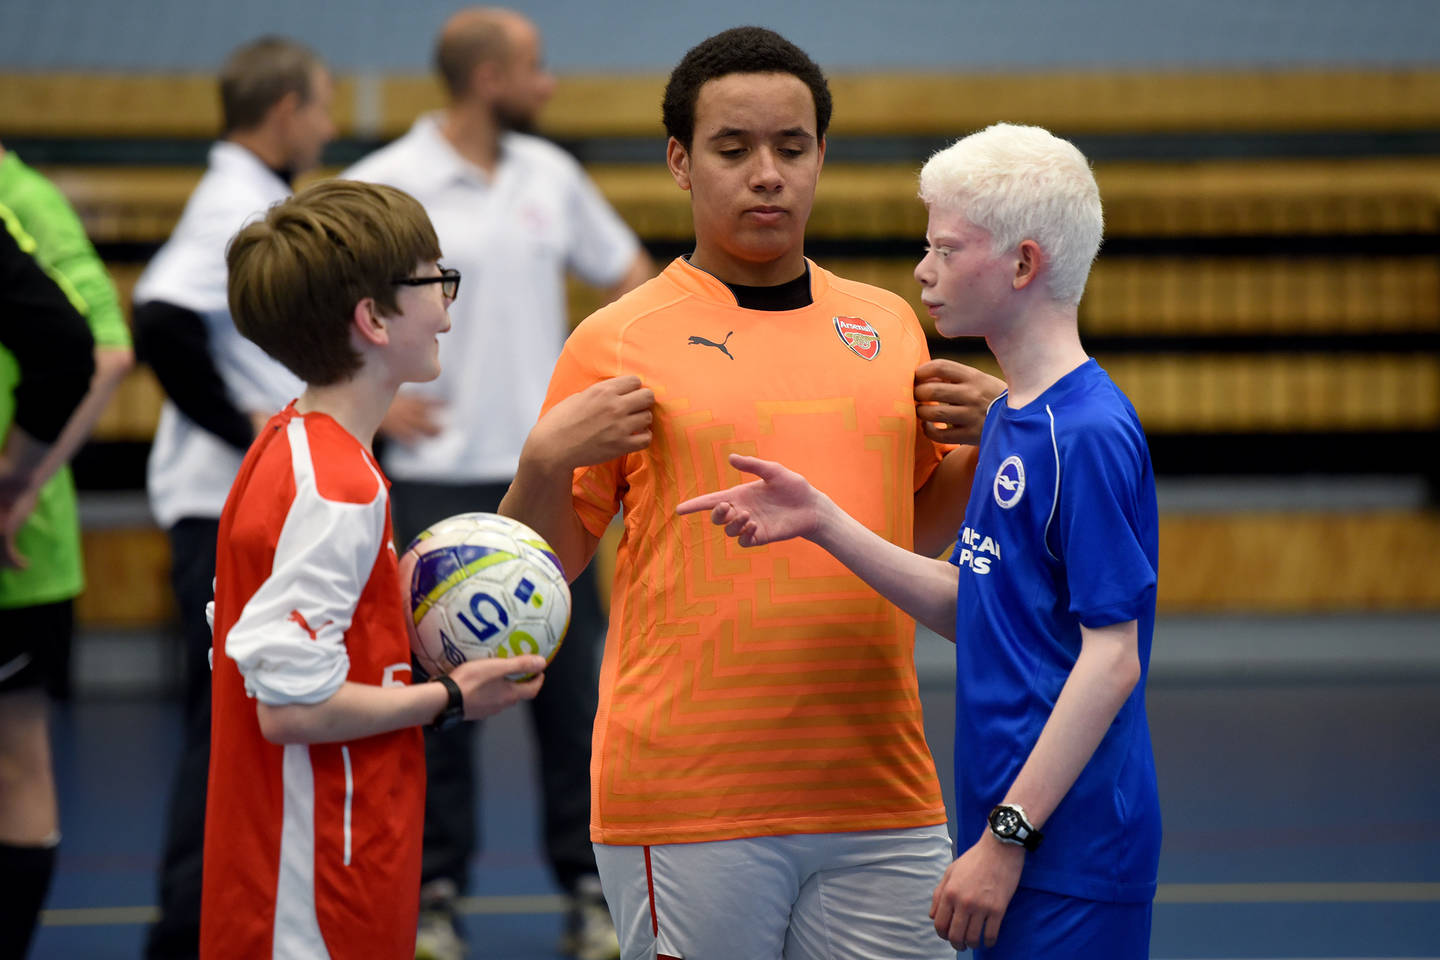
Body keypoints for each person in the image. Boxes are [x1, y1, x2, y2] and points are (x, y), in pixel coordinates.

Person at [499, 27, 1003, 960]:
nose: (766, 173)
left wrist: (992, 447)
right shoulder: (618, 339)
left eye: (791, 147)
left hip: (880, 790)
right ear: (681, 163)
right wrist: (539, 465)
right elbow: (544, 569)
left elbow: (906, 535)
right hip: (689, 799)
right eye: (733, 150)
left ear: (822, 156)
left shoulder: (888, 323)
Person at [678, 123, 1162, 958]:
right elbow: (984, 607)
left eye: (944, 248)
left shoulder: (1083, 433)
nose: (922, 271)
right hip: (1013, 831)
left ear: (1022, 265)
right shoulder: (1010, 419)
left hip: (1069, 847)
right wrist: (824, 521)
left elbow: (1112, 656)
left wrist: (1009, 838)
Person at [341, 9, 651, 958]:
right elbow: (329, 305)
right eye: (534, 67)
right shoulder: (388, 180)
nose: (549, 83)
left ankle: (588, 891)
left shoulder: (550, 175)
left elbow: (632, 279)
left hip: (551, 481)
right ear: (485, 78)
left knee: (570, 696)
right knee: (443, 694)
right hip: (433, 479)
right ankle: (432, 891)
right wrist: (377, 397)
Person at [201, 178, 554, 959]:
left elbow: (252, 635)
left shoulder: (287, 447)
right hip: (317, 886)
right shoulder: (339, 486)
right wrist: (453, 697)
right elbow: (290, 709)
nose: (448, 310)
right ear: (373, 318)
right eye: (434, 280)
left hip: (297, 869)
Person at [132, 36, 337, 959]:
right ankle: (187, 930)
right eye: (323, 107)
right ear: (286, 109)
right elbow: (162, 321)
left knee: (233, 726)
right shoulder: (234, 202)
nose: (329, 127)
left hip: (228, 509)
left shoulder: (252, 197)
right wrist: (250, 431)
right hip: (217, 513)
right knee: (221, 730)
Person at [0, 201, 97, 958]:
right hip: (21, 536)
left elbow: (92, 348)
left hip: (24, 549)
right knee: (18, 763)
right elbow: (75, 346)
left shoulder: (27, 203)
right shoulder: (20, 203)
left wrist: (18, 481)